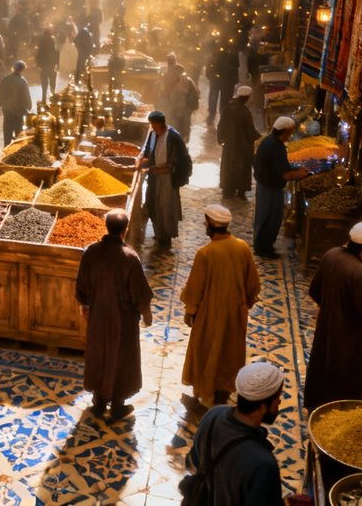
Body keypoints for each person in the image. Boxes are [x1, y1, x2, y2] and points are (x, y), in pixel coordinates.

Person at [303, 221, 362, 411]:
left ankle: (318, 405)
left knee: (325, 366)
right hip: (349, 335)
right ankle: (342, 412)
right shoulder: (358, 270)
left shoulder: (331, 255)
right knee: (346, 373)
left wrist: (333, 306)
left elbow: (315, 290)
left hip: (327, 326)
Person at [75, 209, 154, 422]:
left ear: (106, 226)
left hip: (98, 316)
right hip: (123, 319)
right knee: (122, 357)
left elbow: (82, 284)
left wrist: (85, 304)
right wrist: (146, 313)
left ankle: (99, 402)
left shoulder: (91, 252)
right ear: (125, 229)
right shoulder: (129, 257)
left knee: (99, 354)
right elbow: (139, 292)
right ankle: (118, 404)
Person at [180, 204, 260, 408]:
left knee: (208, 351)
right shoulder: (242, 246)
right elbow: (253, 283)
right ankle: (224, 390)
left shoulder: (205, 253)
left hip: (210, 313)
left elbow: (195, 288)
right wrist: (246, 303)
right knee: (229, 352)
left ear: (209, 224)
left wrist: (190, 311)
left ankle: (207, 393)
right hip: (235, 312)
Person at [185, 361, 287, 505]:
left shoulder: (213, 415)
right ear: (263, 406)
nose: (279, 402)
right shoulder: (263, 464)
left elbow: (192, 462)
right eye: (277, 398)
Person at [251, 116, 313, 258]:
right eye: (290, 132)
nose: (291, 135)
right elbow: (285, 175)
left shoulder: (268, 141)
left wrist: (295, 168)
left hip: (264, 185)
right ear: (284, 132)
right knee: (270, 218)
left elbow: (279, 166)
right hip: (271, 189)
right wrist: (302, 174)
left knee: (263, 217)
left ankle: (261, 246)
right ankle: (265, 249)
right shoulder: (276, 147)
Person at [137, 111, 192, 250]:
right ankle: (159, 233)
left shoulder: (174, 137)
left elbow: (184, 159)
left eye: (152, 123)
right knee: (154, 205)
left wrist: (177, 175)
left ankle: (166, 236)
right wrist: (142, 161)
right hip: (155, 176)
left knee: (166, 207)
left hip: (168, 178)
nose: (151, 126)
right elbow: (148, 152)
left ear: (157, 123)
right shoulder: (153, 134)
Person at [218, 86, 260, 200]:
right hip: (242, 146)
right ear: (246, 97)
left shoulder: (228, 107)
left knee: (228, 167)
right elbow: (250, 131)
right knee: (243, 168)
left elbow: (221, 124)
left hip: (229, 145)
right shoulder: (244, 112)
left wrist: (220, 138)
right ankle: (241, 191)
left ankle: (227, 190)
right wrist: (260, 138)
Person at [0, 60, 35, 146]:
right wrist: (28, 107)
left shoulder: (5, 79)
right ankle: (16, 152)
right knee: (18, 134)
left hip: (7, 111)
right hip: (18, 111)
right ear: (22, 69)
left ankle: (6, 150)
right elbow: (26, 98)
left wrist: (1, 103)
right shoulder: (22, 81)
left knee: (7, 133)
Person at [36, 27, 59, 99]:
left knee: (44, 81)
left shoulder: (41, 41)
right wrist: (57, 63)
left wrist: (38, 63)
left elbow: (39, 53)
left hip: (43, 64)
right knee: (52, 80)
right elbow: (55, 51)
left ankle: (44, 96)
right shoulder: (52, 40)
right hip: (51, 63)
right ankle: (52, 94)